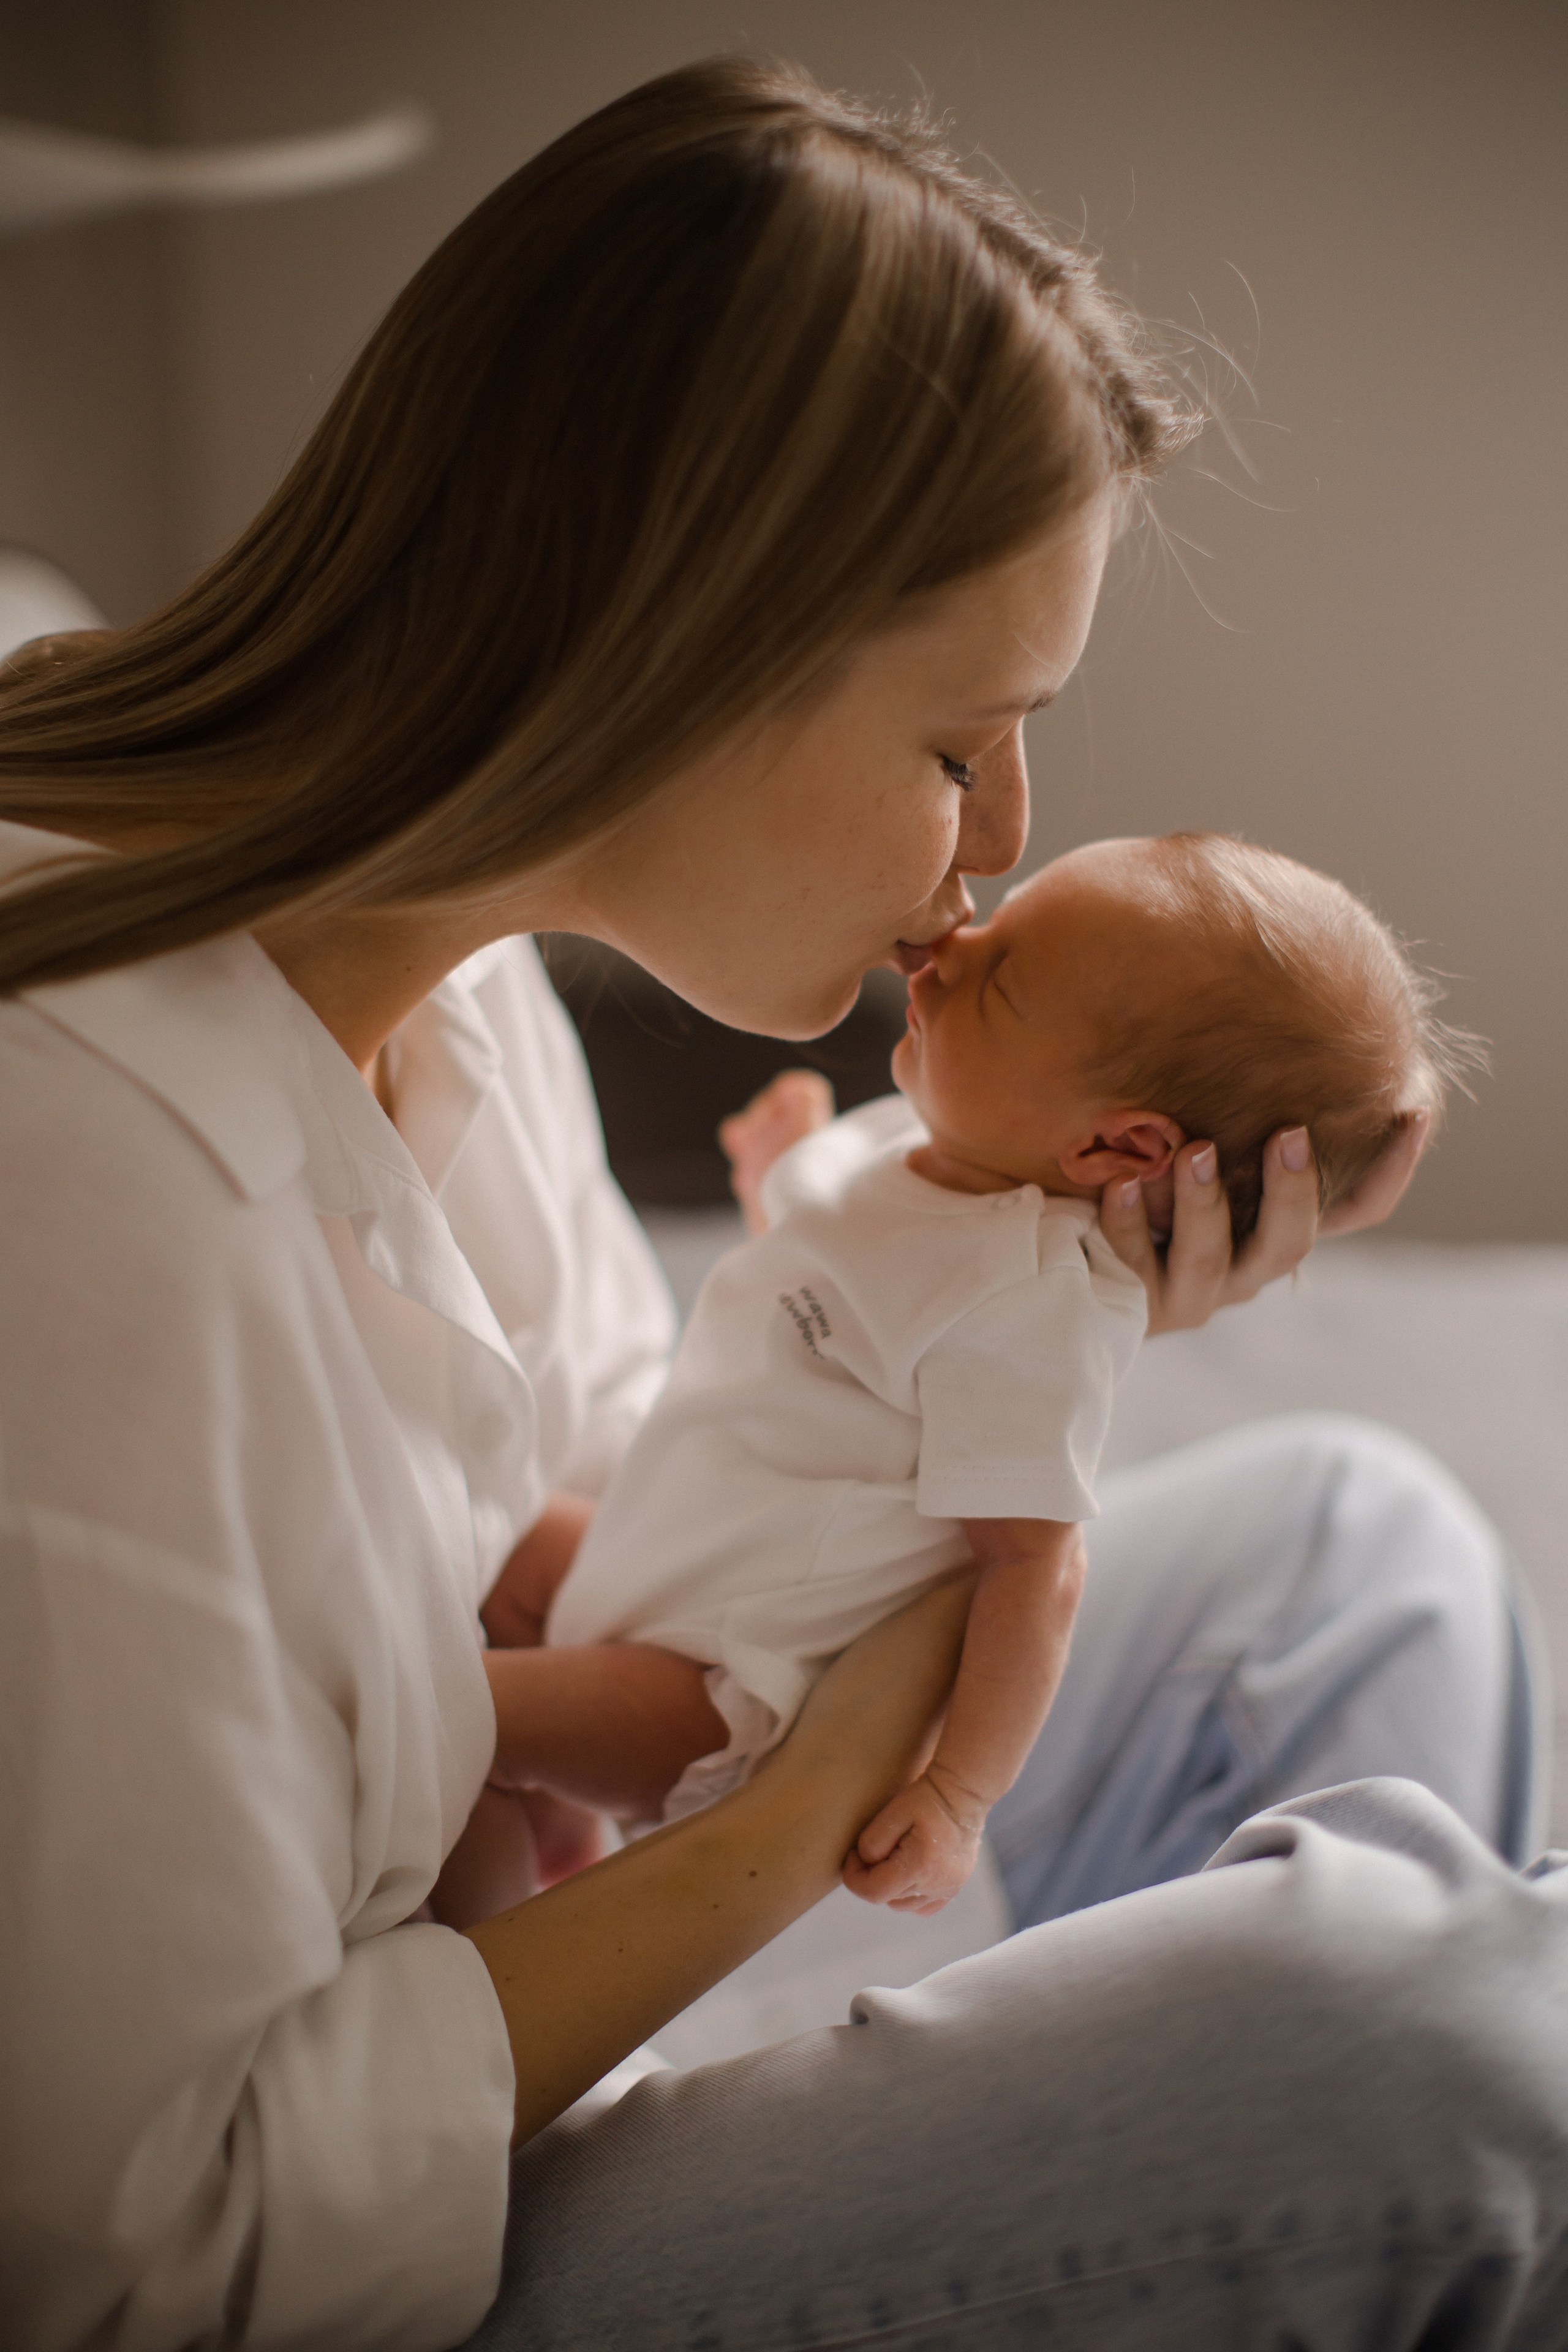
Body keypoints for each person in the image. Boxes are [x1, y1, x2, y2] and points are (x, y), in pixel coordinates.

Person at [0, 56, 1561, 2352]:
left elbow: (626, 1476)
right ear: (679, 634)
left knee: (1352, 1542)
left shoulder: (431, 968)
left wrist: (1007, 1302)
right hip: (352, 2249)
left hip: (573, 1845)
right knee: (1432, 2047)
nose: (999, 835)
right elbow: (154, 2253)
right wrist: (793, 1820)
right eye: (958, 741)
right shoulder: (89, 1225)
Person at [462, 831, 1476, 1925]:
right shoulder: (930, 1142)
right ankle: (553, 1827)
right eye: (995, 922)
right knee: (470, 1542)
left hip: (719, 1689)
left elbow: (1037, 1569)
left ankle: (488, 1988)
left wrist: (957, 1795)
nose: (949, 945)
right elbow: (841, 1319)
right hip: (654, 1552)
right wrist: (778, 1191)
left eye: (1001, 979)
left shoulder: (1029, 1311)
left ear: (1118, 1149)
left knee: (446, 1719)